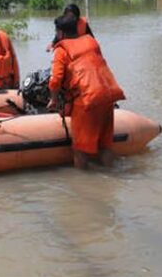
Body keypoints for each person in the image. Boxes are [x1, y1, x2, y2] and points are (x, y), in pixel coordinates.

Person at [46, 15, 125, 169]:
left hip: (86, 101)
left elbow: (55, 80)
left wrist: (53, 100)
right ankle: (111, 176)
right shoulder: (92, 42)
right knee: (105, 145)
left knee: (80, 149)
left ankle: (83, 187)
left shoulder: (61, 50)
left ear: (60, 33)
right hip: (107, 96)